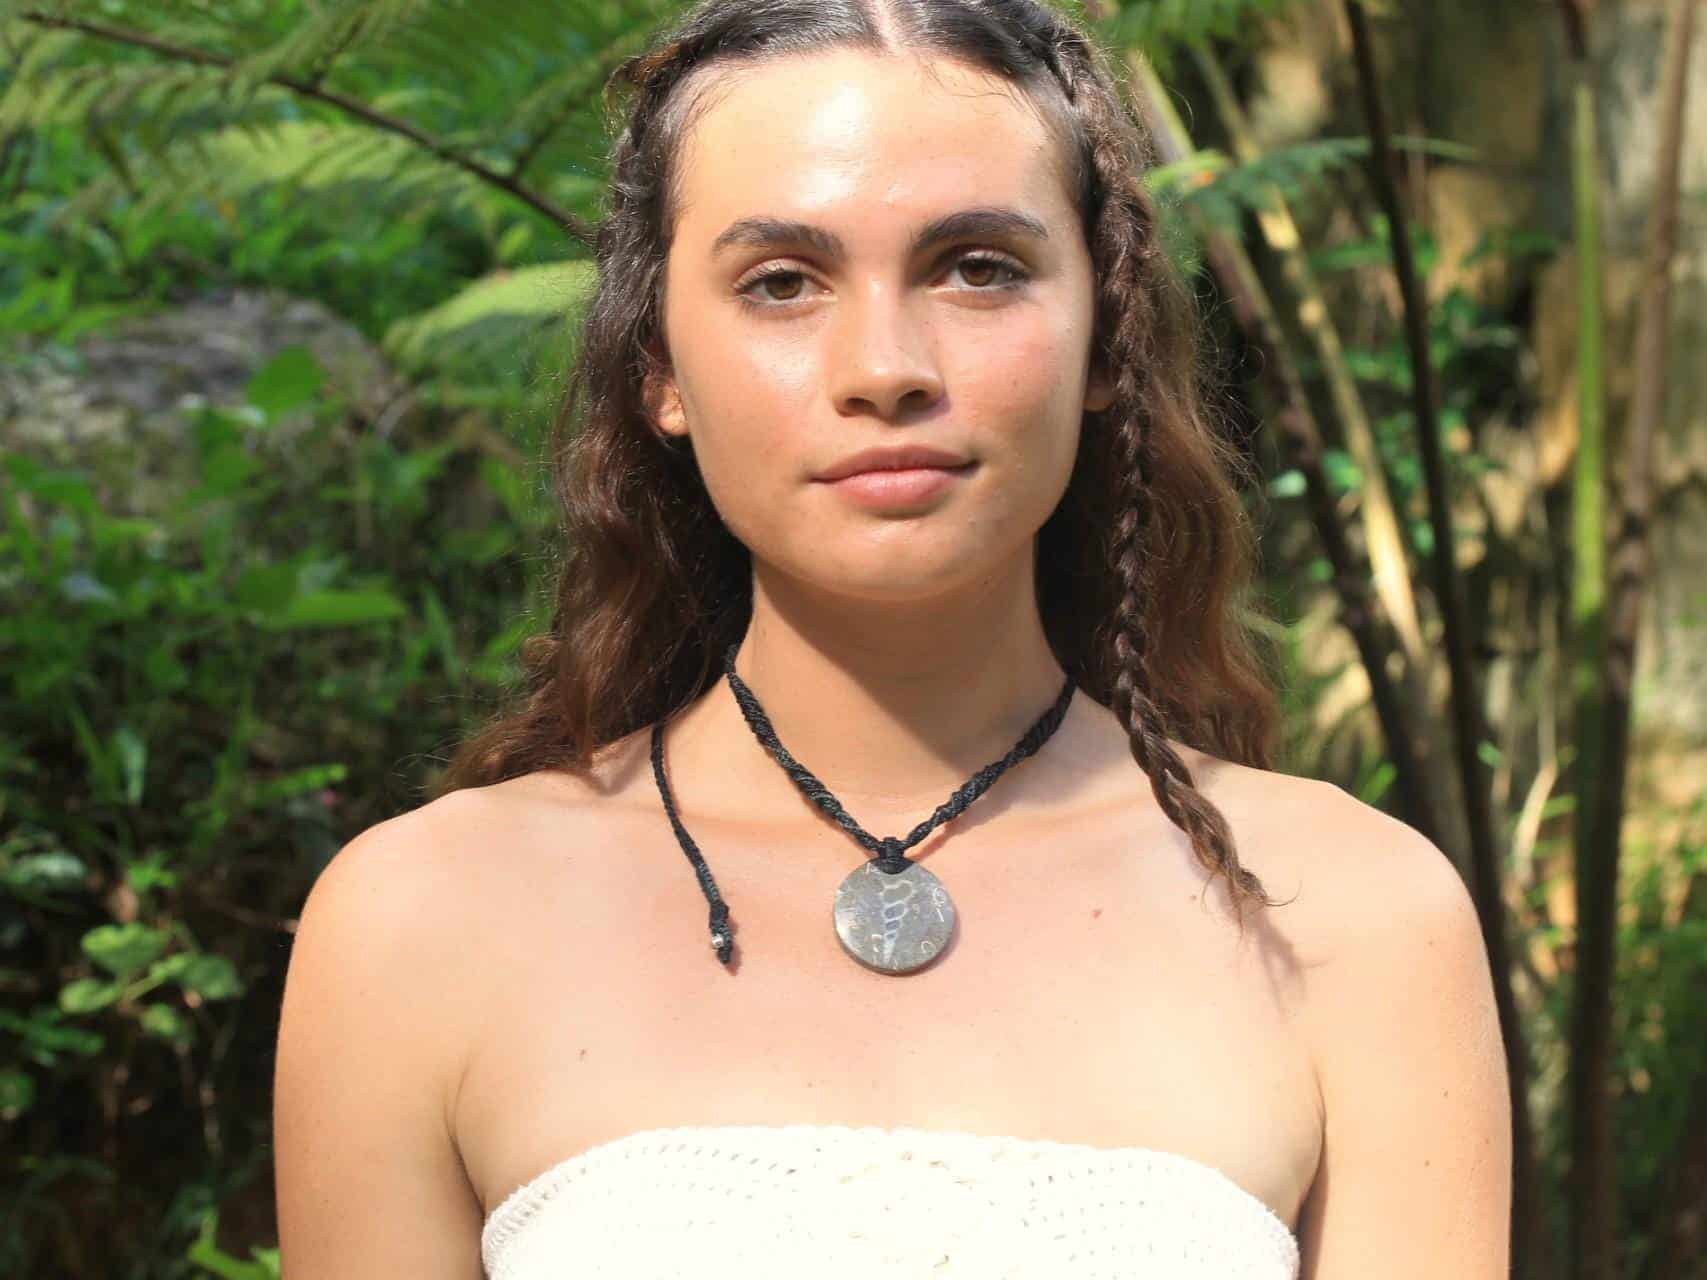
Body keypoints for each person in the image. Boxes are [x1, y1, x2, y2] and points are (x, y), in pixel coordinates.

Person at [272, 1, 1512, 1276]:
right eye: (781, 283)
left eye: (978, 267)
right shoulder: (420, 923)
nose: (885, 366)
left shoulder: (1354, 917)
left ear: (1108, 336)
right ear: (659, 369)